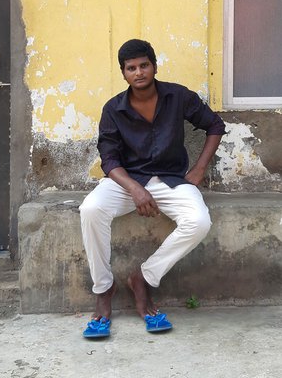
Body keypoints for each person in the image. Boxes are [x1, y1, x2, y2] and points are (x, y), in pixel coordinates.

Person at [80, 39, 225, 337]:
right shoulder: (113, 109)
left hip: (170, 180)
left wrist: (198, 169)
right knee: (91, 209)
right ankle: (104, 290)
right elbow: (109, 159)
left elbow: (214, 125)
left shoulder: (178, 96)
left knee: (198, 221)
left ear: (154, 66)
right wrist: (134, 189)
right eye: (131, 68)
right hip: (126, 182)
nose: (138, 72)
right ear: (123, 73)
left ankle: (144, 278)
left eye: (144, 65)